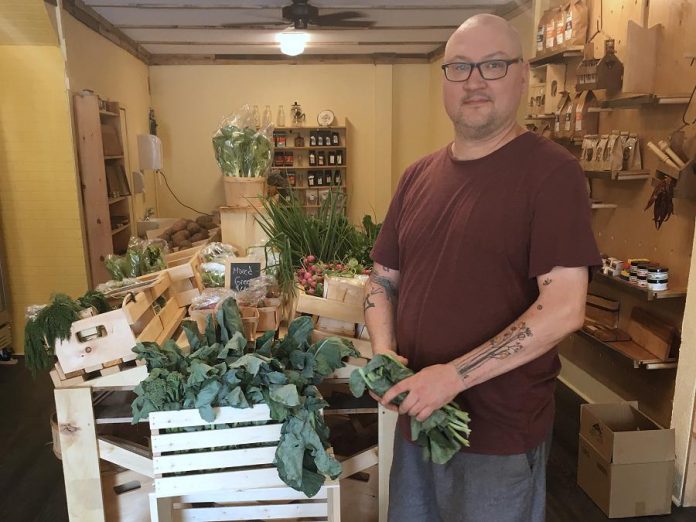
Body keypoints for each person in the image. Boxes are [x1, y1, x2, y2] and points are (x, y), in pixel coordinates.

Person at [364, 13, 602, 522]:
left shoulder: (552, 173)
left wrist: (452, 377)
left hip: (497, 436)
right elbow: (384, 278)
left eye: (493, 65)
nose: (474, 80)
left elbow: (563, 308)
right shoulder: (417, 177)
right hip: (417, 420)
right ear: (444, 81)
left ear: (523, 75)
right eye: (459, 67)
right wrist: (384, 354)